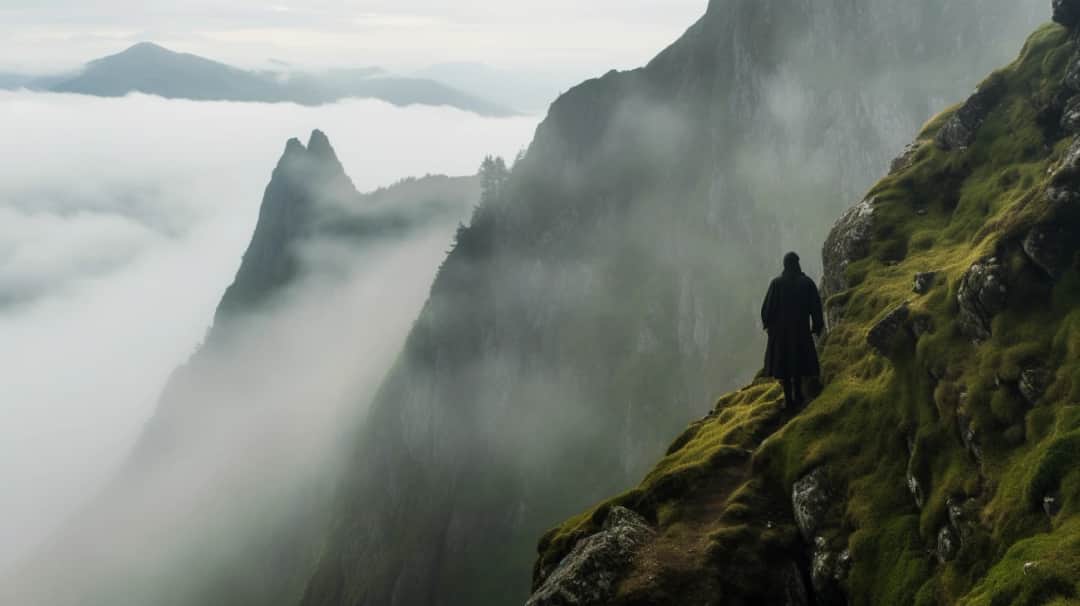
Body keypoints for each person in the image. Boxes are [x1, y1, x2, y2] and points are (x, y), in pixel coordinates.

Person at [761, 252, 824, 408]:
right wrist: (817, 326)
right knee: (799, 363)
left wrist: (768, 326)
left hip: (781, 334)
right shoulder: (806, 283)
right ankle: (800, 396)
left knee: (784, 365)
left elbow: (767, 308)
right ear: (797, 263)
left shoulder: (776, 284)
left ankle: (788, 400)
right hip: (801, 331)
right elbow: (816, 307)